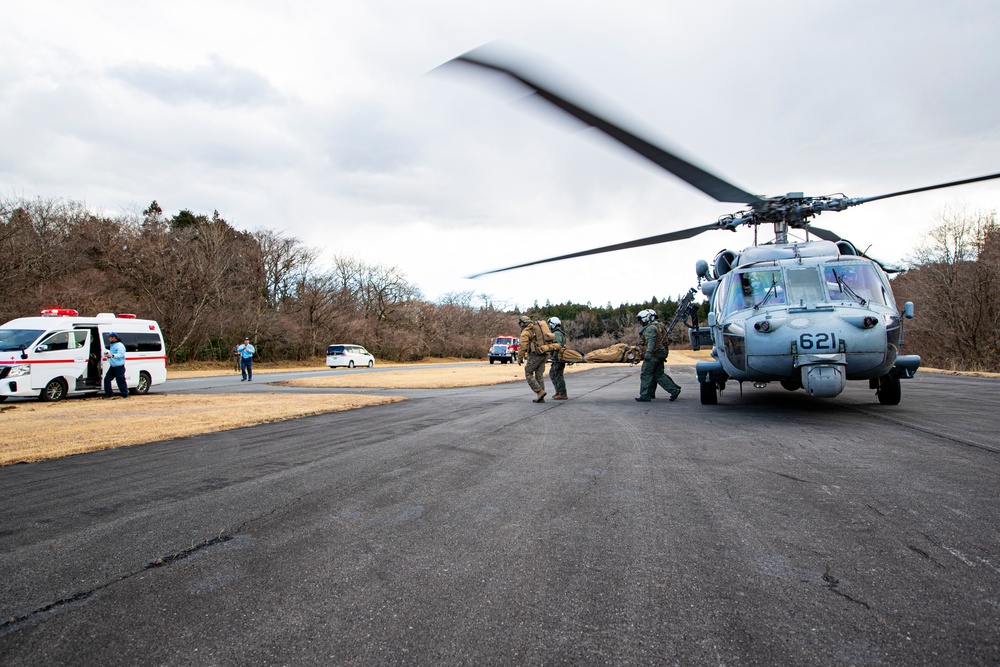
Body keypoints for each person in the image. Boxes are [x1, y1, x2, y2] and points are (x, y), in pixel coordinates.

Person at [634, 309, 681, 403]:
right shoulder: (657, 326)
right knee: (658, 374)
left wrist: (647, 353)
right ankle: (674, 390)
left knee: (646, 373)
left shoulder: (650, 328)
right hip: (659, 354)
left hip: (653, 355)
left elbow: (651, 342)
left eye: (640, 319)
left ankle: (645, 395)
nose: (639, 322)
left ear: (645, 318)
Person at [517, 315, 550, 403]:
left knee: (528, 372)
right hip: (545, 353)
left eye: (520, 323)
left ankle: (539, 391)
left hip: (535, 354)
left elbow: (522, 346)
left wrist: (519, 358)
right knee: (539, 374)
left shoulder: (526, 331)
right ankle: (541, 397)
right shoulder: (537, 328)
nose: (520, 325)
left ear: (523, 323)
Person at [547, 316, 568, 400]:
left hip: (558, 358)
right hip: (556, 358)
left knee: (558, 375)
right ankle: (558, 392)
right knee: (553, 374)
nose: (549, 327)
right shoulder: (556, 333)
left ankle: (563, 394)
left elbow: (557, 345)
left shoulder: (557, 334)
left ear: (553, 324)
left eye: (549, 325)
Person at [102, 332, 129, 399]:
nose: (108, 338)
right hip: (113, 366)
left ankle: (124, 394)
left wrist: (112, 355)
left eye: (109, 337)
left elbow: (121, 354)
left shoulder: (119, 345)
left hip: (119, 366)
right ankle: (109, 394)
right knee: (107, 379)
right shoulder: (113, 344)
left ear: (114, 338)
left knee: (120, 380)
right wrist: (108, 355)